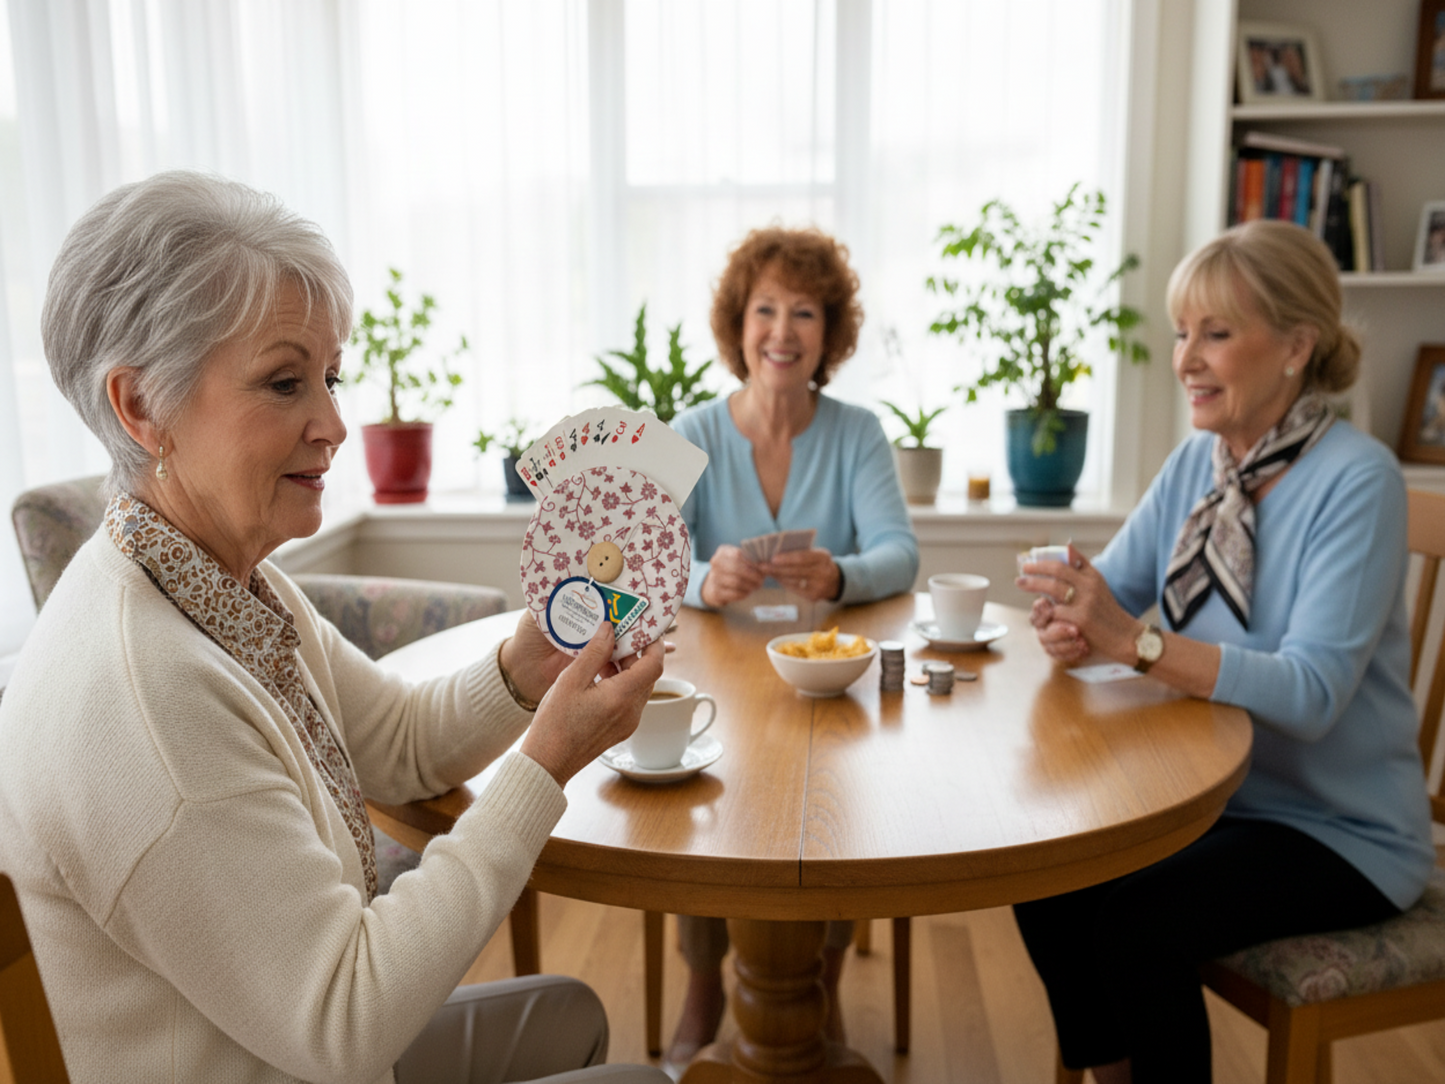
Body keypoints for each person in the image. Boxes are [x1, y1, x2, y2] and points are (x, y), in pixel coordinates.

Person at [0, 171, 670, 1084]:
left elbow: (396, 742)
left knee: (570, 1014)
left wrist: (527, 664)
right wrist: (545, 763)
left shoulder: (218, 581)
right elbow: (347, 1022)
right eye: (284, 382)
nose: (334, 423)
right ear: (140, 406)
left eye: (329, 376)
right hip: (314, 1054)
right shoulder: (145, 698)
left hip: (284, 1050)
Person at [1012, 219, 1436, 1084]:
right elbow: (1112, 596)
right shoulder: (1197, 466)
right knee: (1046, 868)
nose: (1186, 359)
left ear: (1295, 347)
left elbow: (1311, 695)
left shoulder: (1357, 480)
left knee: (1137, 924)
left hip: (1338, 830)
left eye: (1214, 333)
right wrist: (1070, 619)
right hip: (1208, 800)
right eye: (1181, 333)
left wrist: (1132, 641)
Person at [665, 226, 920, 1071]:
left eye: (804, 312)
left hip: (822, 682)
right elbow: (646, 563)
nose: (782, 331)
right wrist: (705, 579)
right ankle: (703, 988)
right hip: (718, 681)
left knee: (832, 808)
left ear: (829, 332)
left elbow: (900, 554)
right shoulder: (691, 433)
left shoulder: (857, 433)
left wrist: (841, 572)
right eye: (765, 310)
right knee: (705, 807)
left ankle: (821, 981)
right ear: (737, 327)